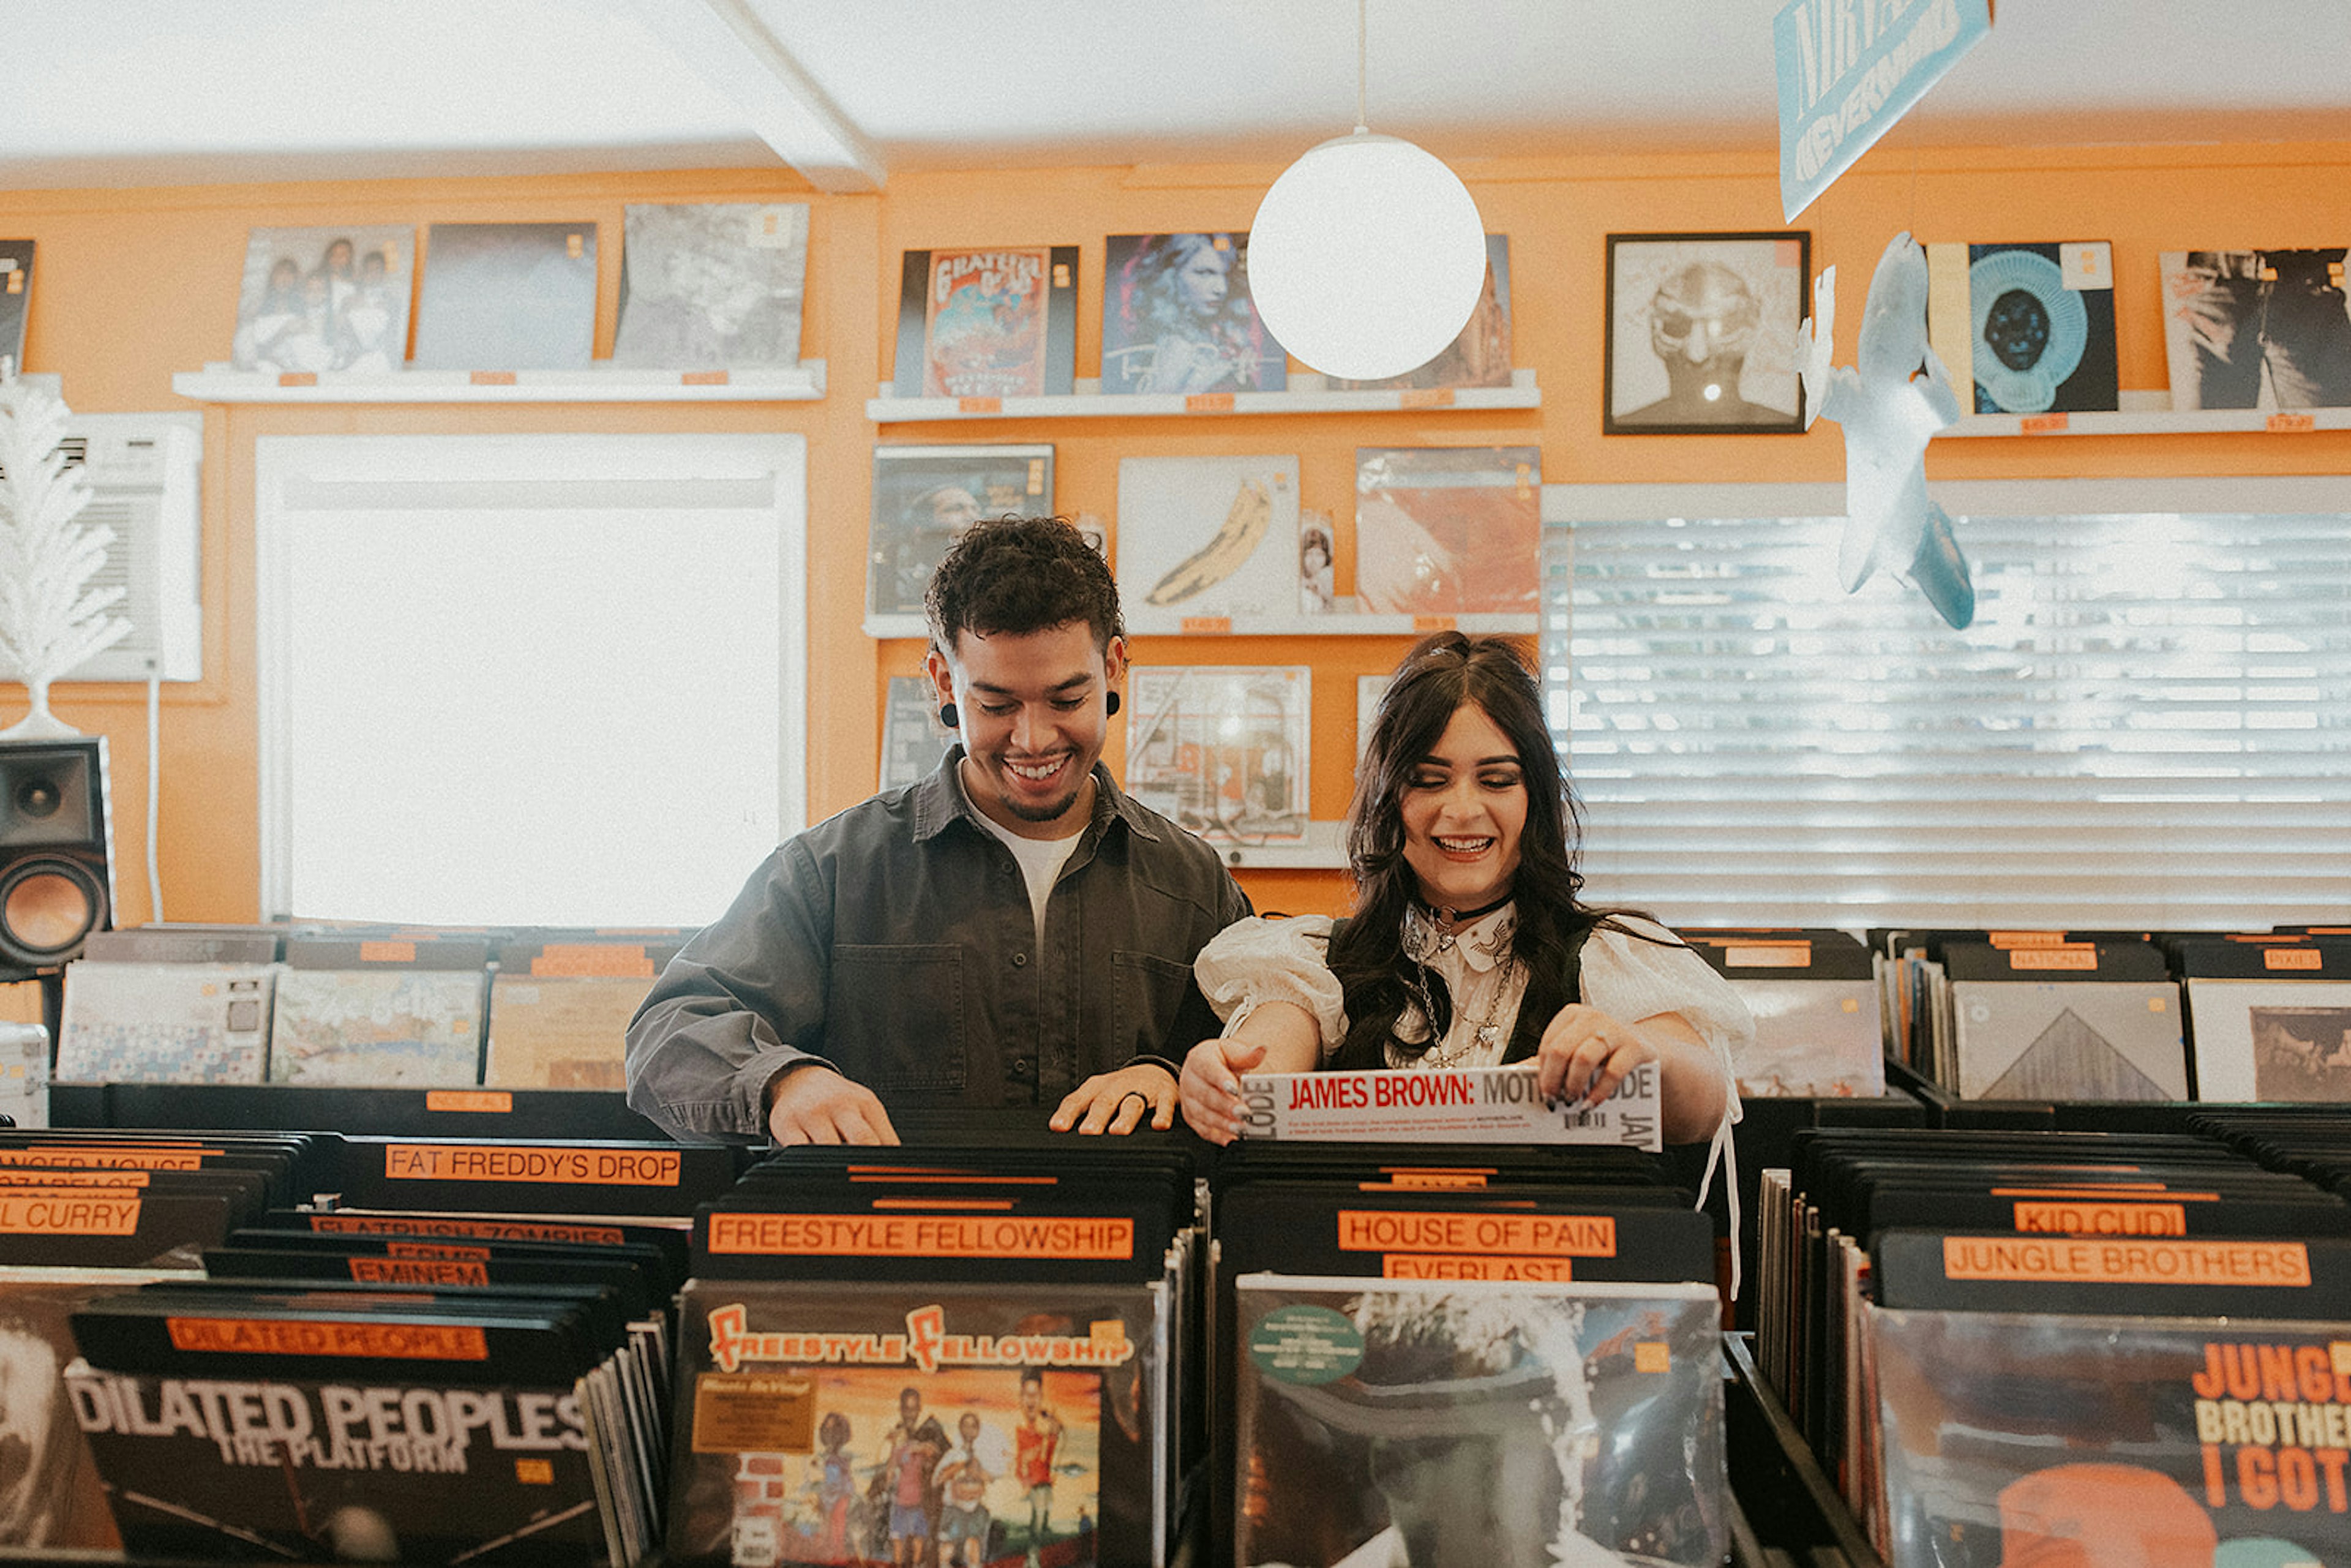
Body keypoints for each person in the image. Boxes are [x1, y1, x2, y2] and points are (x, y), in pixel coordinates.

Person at [625, 514, 1254, 1145]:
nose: (1033, 739)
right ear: (943, 682)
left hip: (1131, 1238)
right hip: (892, 1238)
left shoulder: (1195, 885)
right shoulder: (832, 873)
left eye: (1066, 699)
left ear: (1113, 669)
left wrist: (1174, 1074)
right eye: (997, 704)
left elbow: (1263, 1047)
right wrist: (782, 1080)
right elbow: (670, 1032)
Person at [1177, 632, 1747, 1155]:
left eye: (1497, 780)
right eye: (1429, 780)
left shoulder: (1604, 957)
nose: (1463, 810)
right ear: (1388, 799)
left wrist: (1639, 1049)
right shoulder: (1315, 962)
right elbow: (1266, 1060)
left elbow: (1702, 1101)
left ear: (1535, 798)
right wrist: (1226, 1080)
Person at [1614, 260, 1783, 427]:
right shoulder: (1625, 427)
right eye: (1677, 326)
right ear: (1654, 328)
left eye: (1723, 326)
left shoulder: (1784, 429)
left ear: (1753, 323)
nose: (1697, 355)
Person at [1104, 233, 1277, 395]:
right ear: (1171, 275)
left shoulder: (1229, 342)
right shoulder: (1164, 345)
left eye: (1224, 275)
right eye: (1204, 273)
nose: (1221, 289)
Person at [1011, 1370, 1063, 1568]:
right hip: (1023, 1488)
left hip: (1042, 1486)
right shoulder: (1016, 1427)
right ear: (1020, 1397)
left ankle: (1033, 1556)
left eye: (1036, 1394)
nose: (1032, 1399)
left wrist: (1052, 1423)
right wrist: (1023, 1463)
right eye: (1027, 1394)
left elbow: (1054, 1440)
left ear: (1042, 1397)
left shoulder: (1044, 1428)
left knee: (1041, 1516)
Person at [932, 1412, 994, 1568]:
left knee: (973, 1551)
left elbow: (989, 1479)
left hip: (974, 1511)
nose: (969, 1430)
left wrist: (977, 1471)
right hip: (954, 1511)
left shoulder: (981, 1456)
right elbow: (936, 1481)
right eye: (966, 1425)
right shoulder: (952, 1455)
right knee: (947, 1552)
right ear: (960, 1428)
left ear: (978, 1430)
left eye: (973, 1426)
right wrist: (960, 1465)